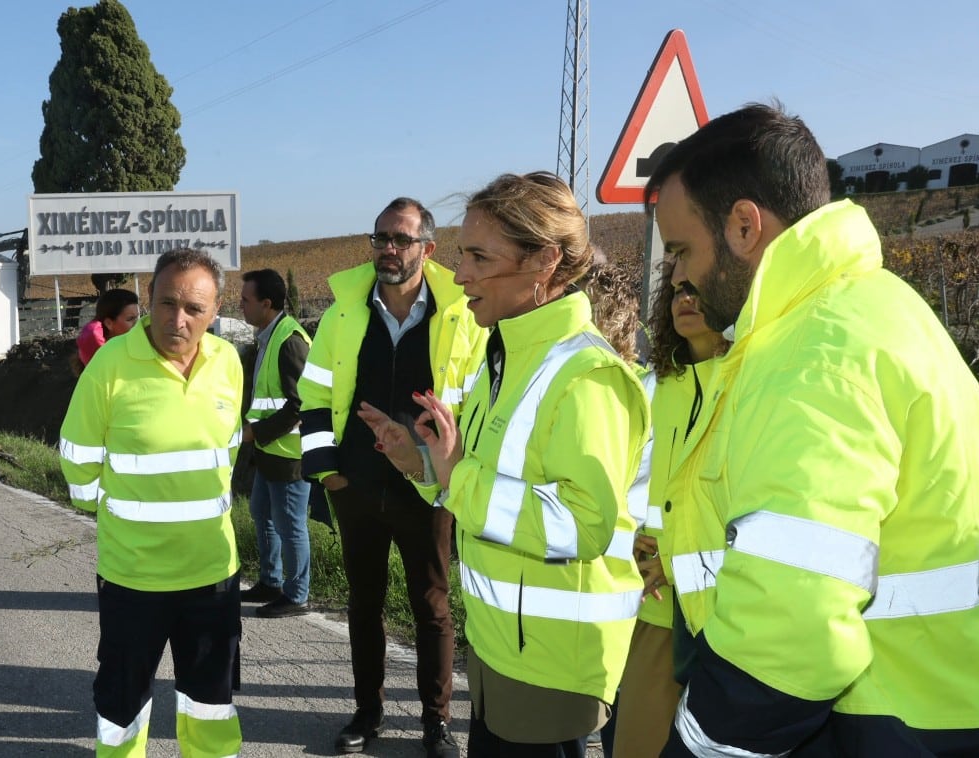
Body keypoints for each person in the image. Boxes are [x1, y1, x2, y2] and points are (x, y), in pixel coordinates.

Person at [647, 103, 979, 756]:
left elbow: (793, 633)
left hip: (882, 725)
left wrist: (693, 747)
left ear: (743, 226)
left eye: (680, 250)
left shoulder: (811, 354)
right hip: (943, 701)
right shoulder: (878, 306)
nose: (676, 276)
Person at [362, 172, 648, 758]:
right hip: (498, 650)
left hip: (549, 662)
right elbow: (478, 487)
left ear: (543, 261)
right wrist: (422, 466)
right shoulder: (506, 355)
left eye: (477, 257)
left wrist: (454, 475)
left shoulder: (586, 378)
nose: (460, 274)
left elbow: (580, 523)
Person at [298, 196, 487, 757]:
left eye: (400, 240)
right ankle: (367, 713)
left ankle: (436, 723)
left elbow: (477, 399)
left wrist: (453, 475)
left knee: (431, 604)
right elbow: (312, 391)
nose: (387, 250)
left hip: (429, 486)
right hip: (356, 485)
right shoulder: (344, 312)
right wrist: (326, 470)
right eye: (380, 238)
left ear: (427, 249)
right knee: (363, 604)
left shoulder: (462, 315)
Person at [59, 248, 245, 758]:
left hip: (212, 573)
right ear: (148, 299)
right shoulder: (111, 366)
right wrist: (125, 515)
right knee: (123, 705)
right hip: (133, 577)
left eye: (193, 309)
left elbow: (226, 452)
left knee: (211, 702)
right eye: (166, 303)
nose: (177, 320)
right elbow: (78, 467)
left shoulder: (227, 362)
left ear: (216, 310)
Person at [601, 265, 728, 758]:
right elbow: (626, 485)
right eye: (676, 291)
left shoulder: (750, 384)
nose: (685, 299)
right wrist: (628, 540)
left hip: (725, 606)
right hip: (655, 601)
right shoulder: (657, 387)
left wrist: (673, 558)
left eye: (698, 288)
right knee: (636, 743)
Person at [237, 268, 314, 618]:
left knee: (290, 524)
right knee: (261, 513)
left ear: (266, 304)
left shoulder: (290, 341)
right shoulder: (267, 336)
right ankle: (271, 581)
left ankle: (297, 595)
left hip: (289, 455)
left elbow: (301, 405)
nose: (240, 306)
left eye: (245, 300)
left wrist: (257, 432)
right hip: (269, 452)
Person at [75, 288, 140, 374]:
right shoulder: (102, 356)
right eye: (130, 319)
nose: (137, 324)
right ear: (109, 323)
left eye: (137, 317)